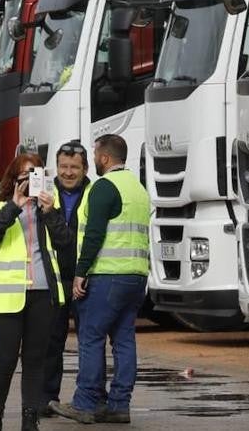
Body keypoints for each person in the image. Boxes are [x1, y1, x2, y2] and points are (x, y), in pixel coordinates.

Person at [0, 153, 71, 431]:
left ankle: (30, 421)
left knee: (34, 361)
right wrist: (14, 206)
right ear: (13, 180)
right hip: (6, 297)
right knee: (5, 360)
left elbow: (65, 242)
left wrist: (50, 212)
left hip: (42, 293)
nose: (30, 183)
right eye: (25, 177)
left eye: (35, 175)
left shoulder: (47, 210)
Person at [62, 134, 150, 425]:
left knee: (91, 338)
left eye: (95, 154)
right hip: (136, 276)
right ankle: (119, 405)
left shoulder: (104, 187)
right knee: (124, 340)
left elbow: (94, 234)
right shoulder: (138, 188)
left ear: (104, 157)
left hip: (107, 275)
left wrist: (80, 272)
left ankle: (85, 403)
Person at [41, 141, 89, 418]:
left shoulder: (95, 193)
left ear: (85, 169)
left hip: (85, 280)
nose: (68, 173)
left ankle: (90, 398)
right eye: (63, 166)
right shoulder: (45, 193)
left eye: (74, 167)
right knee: (51, 342)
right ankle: (46, 399)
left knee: (89, 344)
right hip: (55, 279)